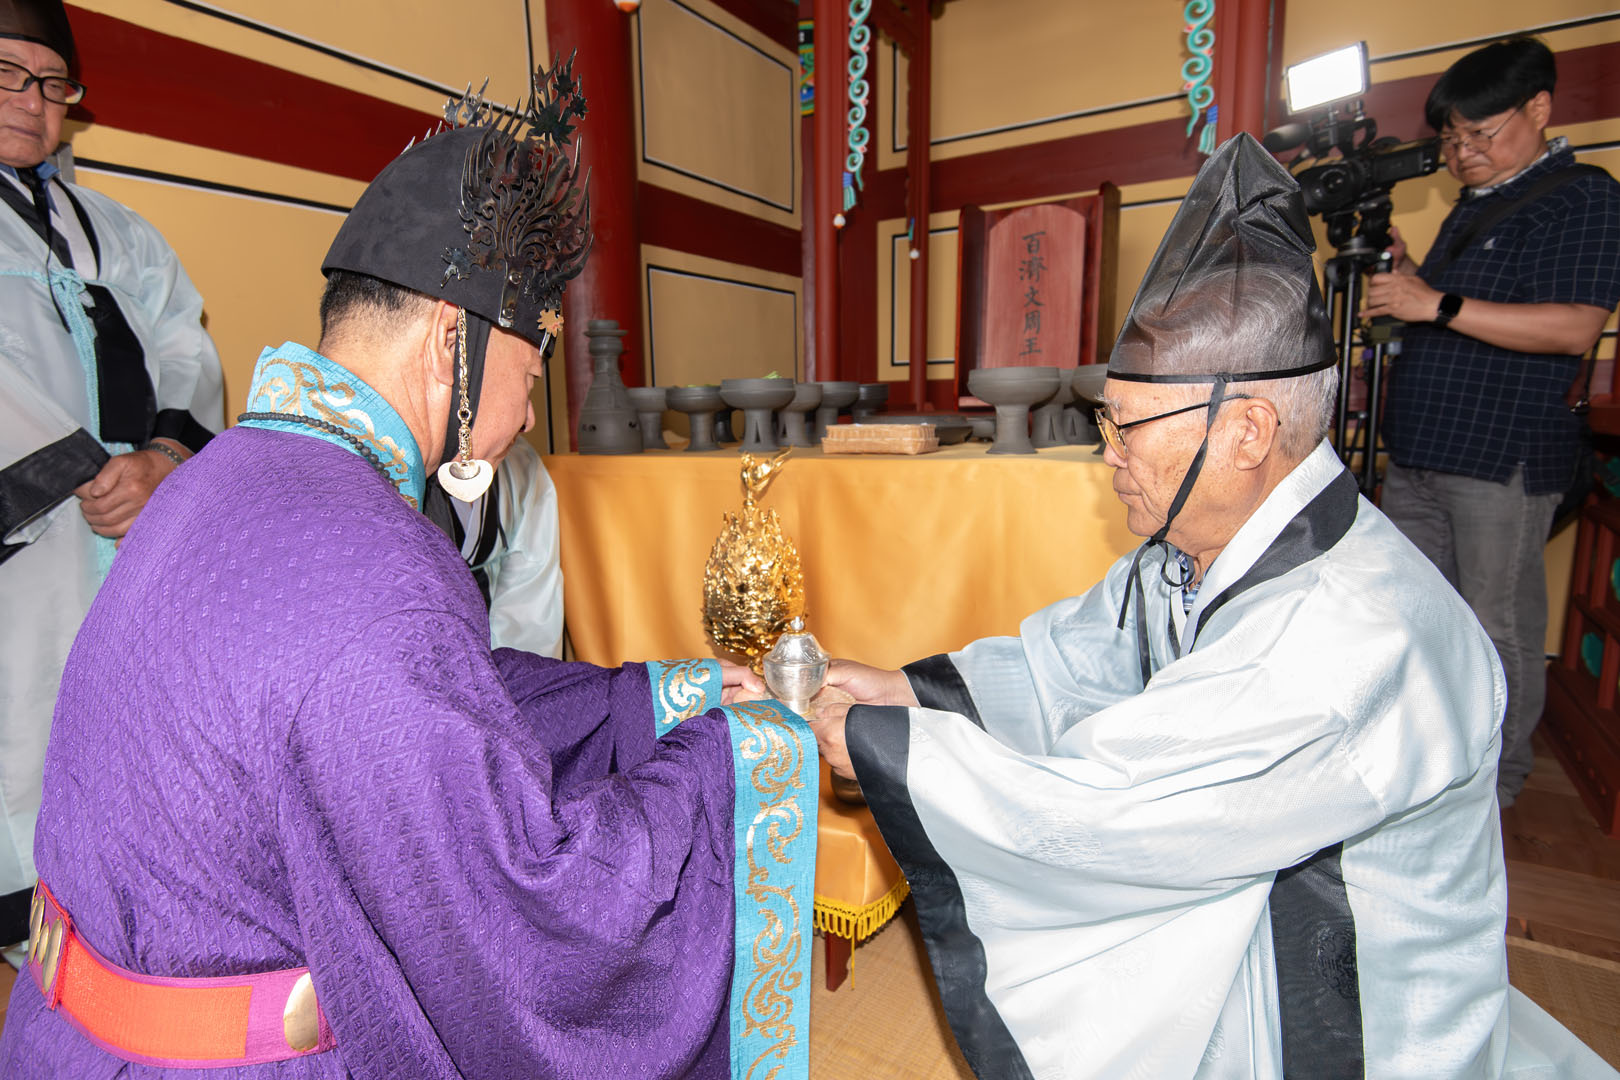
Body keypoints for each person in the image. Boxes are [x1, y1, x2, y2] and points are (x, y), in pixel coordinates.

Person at [0, 62, 818, 1079]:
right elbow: (531, 918)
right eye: (532, 367)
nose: (528, 414)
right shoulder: (374, 566)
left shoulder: (230, 476)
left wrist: (660, 699)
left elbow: (426, 705)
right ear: (452, 344)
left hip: (65, 1034)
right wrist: (734, 756)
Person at [754, 135, 1618, 1078]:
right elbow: (1072, 659)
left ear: (1247, 431)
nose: (1109, 455)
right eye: (1107, 422)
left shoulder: (1346, 638)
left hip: (1357, 1012)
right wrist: (905, 691)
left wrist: (886, 746)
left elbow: (1118, 811)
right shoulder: (1199, 548)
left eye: (1127, 427)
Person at [0, 0, 222, 948]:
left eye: (52, 83)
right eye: (7, 73)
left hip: (134, 538)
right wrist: (83, 469)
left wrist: (163, 460)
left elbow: (186, 348)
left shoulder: (122, 234)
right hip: (25, 549)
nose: (31, 98)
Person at [1365, 36, 1620, 808]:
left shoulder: (1581, 196)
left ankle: (1494, 786)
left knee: (1495, 623)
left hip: (1500, 455)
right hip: (1421, 445)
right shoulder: (1473, 206)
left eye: (1479, 133)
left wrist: (1433, 301)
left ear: (1539, 108)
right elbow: (1453, 317)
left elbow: (1574, 327)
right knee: (1414, 616)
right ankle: (1426, 764)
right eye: (1450, 139)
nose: (1461, 153)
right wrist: (1411, 275)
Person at [454, 436, 566, 658]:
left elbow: (530, 606)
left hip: (497, 662)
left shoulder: (521, 463)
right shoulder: (391, 465)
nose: (529, 422)